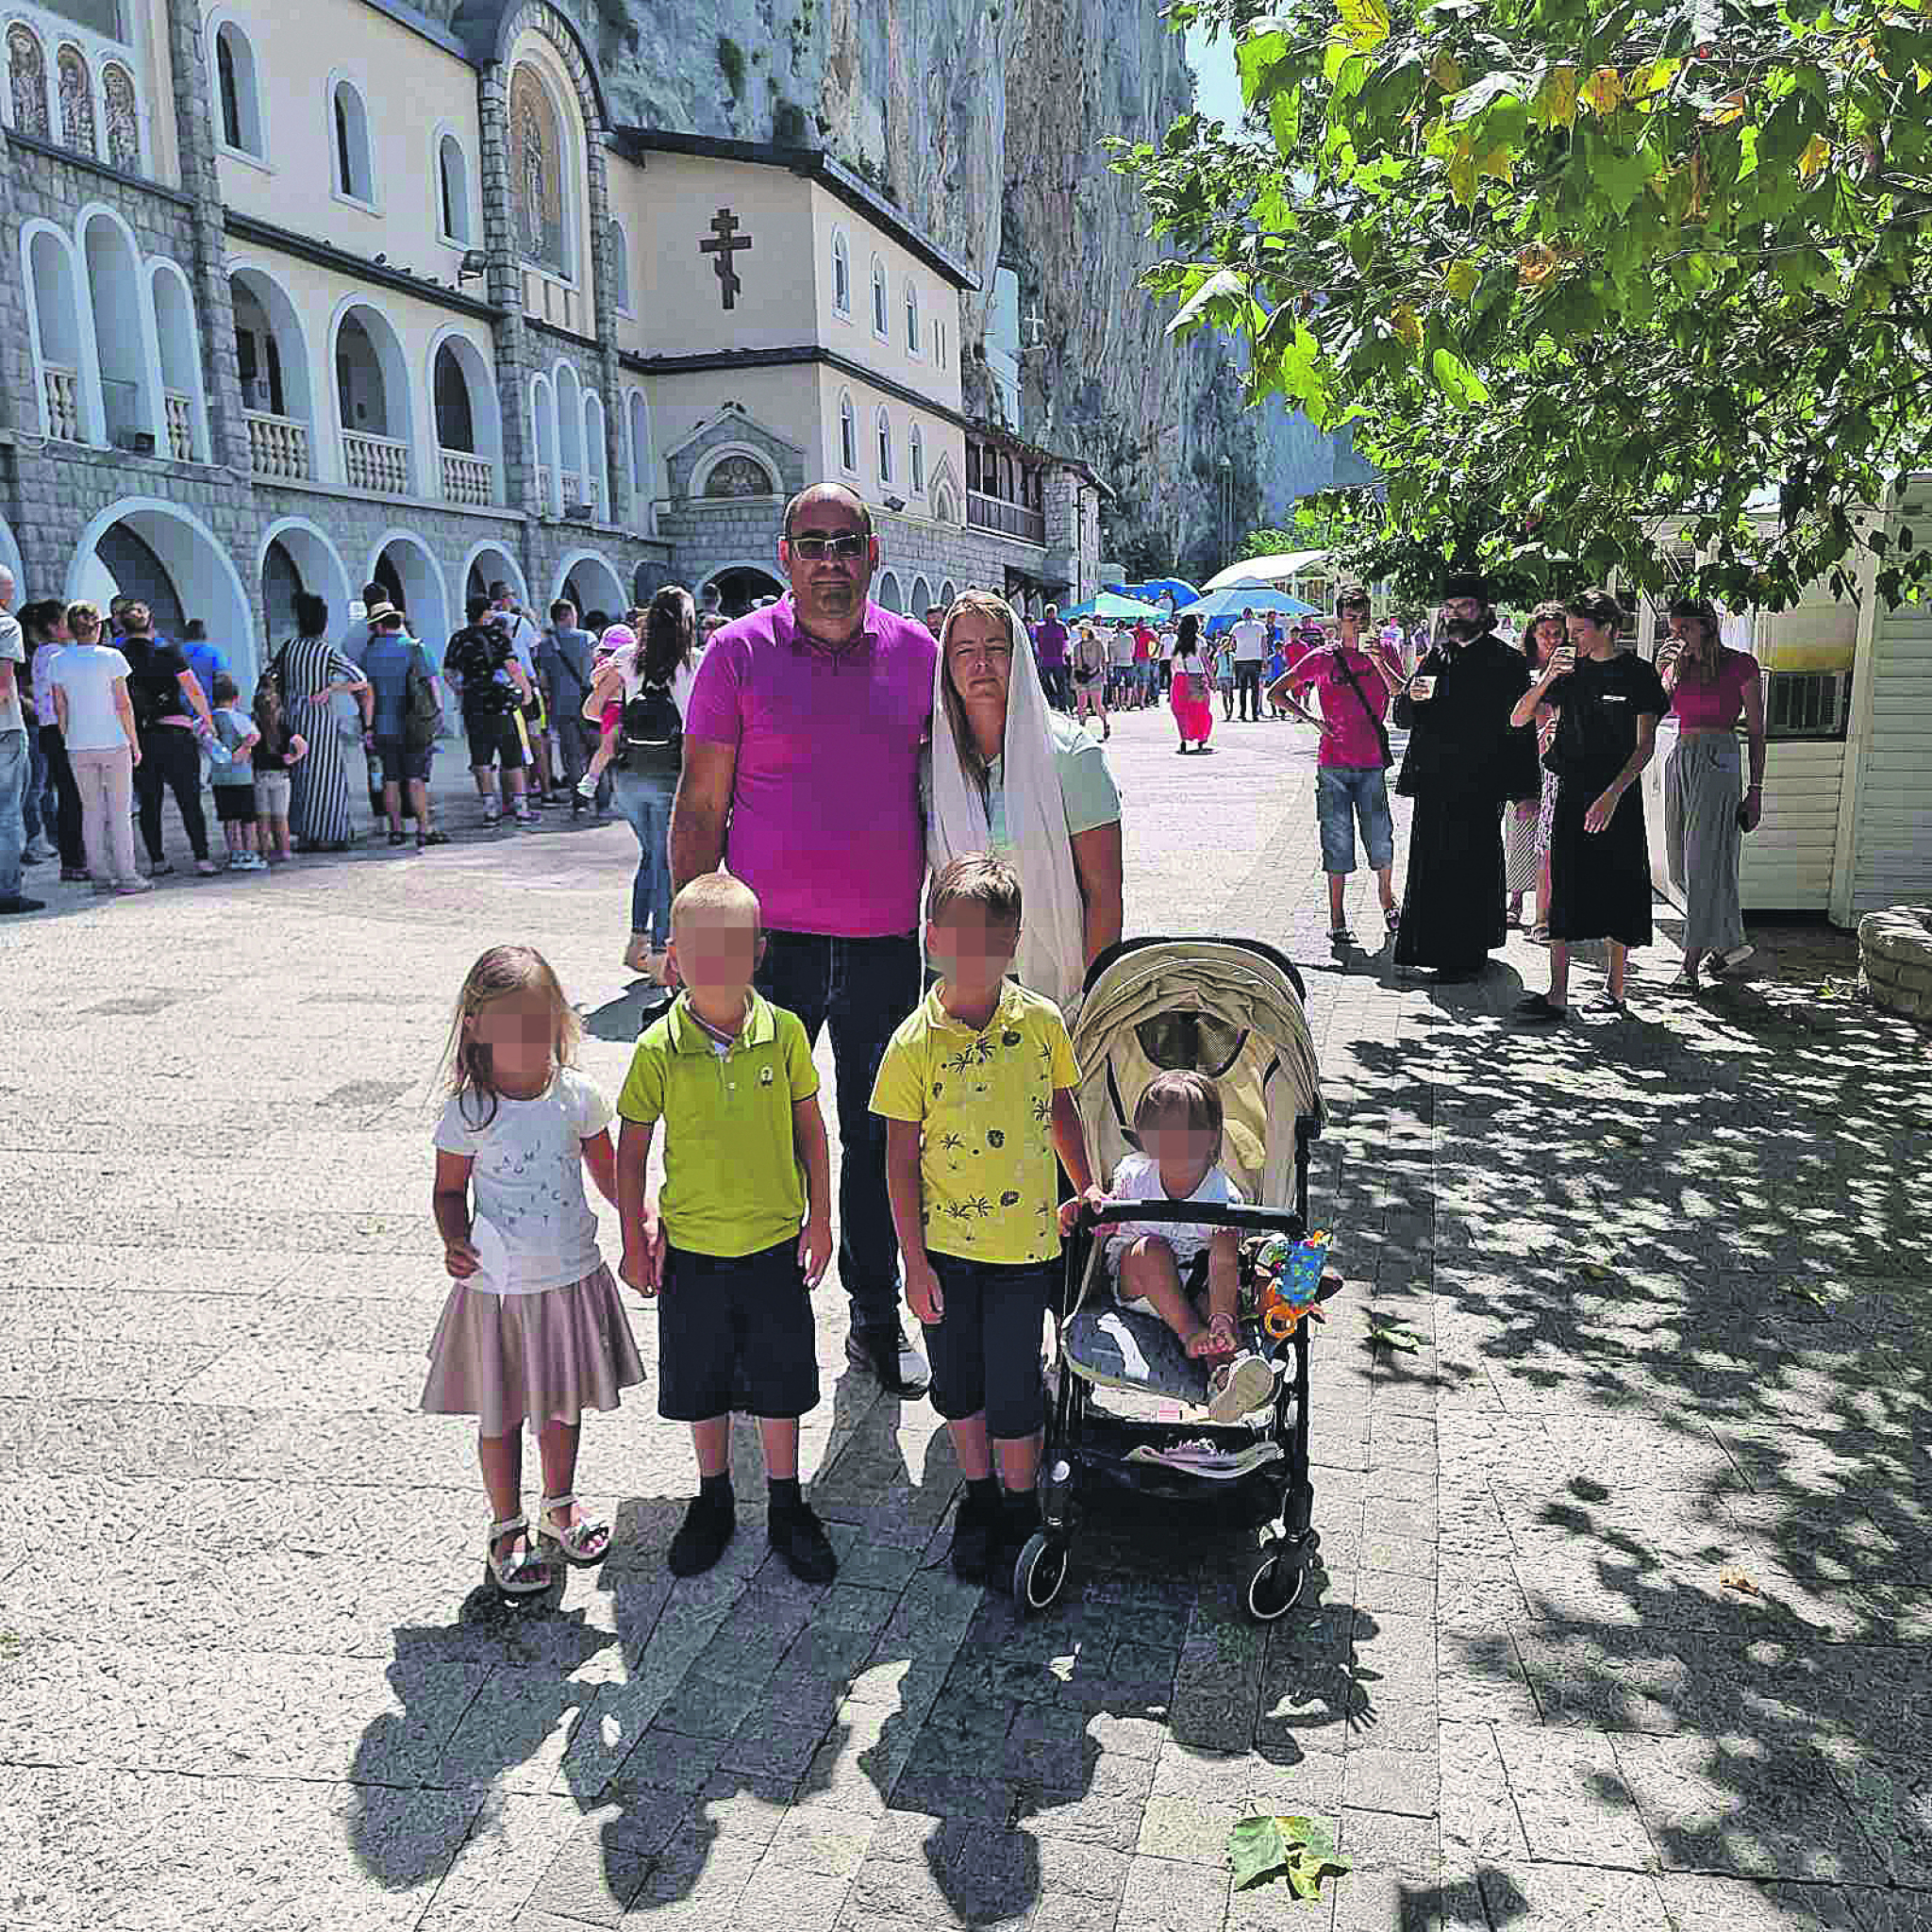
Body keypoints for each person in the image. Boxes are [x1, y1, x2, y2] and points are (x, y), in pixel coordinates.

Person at [673, 481, 938, 1399]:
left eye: (846, 542)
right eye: (812, 542)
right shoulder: (735, 654)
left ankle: (873, 1321)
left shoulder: (918, 657)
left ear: (872, 554)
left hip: (879, 943)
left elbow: (964, 783)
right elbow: (700, 806)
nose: (830, 559)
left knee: (876, 1140)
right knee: (757, 1134)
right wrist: (691, 936)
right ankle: (758, 1327)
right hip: (763, 945)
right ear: (785, 555)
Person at [872, 855, 1103, 1582]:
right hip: (944, 1253)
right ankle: (977, 1497)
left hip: (1024, 1249)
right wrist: (912, 1263)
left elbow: (1063, 1109)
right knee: (957, 1383)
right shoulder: (911, 1044)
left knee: (1012, 1384)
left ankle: (1018, 1503)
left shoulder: (1041, 1024)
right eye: (961, 939)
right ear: (933, 937)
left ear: (1014, 944)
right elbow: (898, 1162)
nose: (976, 956)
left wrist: (1088, 1188)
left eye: (993, 943)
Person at [615, 874, 839, 1583]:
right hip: (692, 1252)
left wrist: (822, 1219)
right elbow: (633, 1144)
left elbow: (812, 1128)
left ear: (759, 952)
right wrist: (632, 1235)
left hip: (774, 1244)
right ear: (673, 957)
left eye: (732, 948)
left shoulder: (786, 1033)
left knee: (782, 1381)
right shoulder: (658, 1046)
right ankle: (713, 1497)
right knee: (699, 1381)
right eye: (700, 950)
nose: (716, 964)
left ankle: (785, 1501)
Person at [425, 944, 643, 1597]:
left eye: (538, 1022)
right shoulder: (470, 1111)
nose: (527, 1037)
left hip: (569, 1277)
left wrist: (642, 1223)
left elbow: (609, 1174)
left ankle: (560, 1501)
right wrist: (454, 1236)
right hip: (496, 1290)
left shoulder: (576, 1096)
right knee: (500, 1413)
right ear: (476, 1025)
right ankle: (505, 1523)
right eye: (511, 1023)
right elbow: (446, 1192)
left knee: (562, 1403)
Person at [924, 590, 1124, 1012]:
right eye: (964, 650)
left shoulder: (1072, 756)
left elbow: (1104, 892)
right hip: (957, 990)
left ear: (1020, 658)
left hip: (1056, 991)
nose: (981, 663)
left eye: (996, 648)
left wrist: (1092, 1000)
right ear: (947, 665)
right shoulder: (932, 765)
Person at [1510, 588, 1669, 1022]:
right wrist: (1546, 678)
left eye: (1581, 630)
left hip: (1617, 795)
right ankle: (1557, 994)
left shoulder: (1637, 674)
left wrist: (1612, 796)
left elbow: (1645, 745)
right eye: (1570, 630)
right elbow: (1519, 718)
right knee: (1563, 887)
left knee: (1621, 887)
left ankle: (1615, 990)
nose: (1573, 638)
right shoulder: (1568, 672)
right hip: (1570, 789)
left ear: (1609, 628)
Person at [1391, 573, 1541, 982]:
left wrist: (1526, 790)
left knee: (1472, 865)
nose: (1456, 616)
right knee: (1430, 865)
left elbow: (1520, 729)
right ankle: (1428, 947)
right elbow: (1404, 717)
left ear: (1483, 611)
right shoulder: (1437, 657)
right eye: (1451, 608)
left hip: (1481, 783)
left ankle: (1467, 954)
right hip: (1435, 780)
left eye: (1465, 608)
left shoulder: (1506, 661)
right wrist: (1410, 698)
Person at [1106, 1071, 1274, 1423]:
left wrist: (1223, 1317)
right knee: (1153, 1249)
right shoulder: (1134, 1176)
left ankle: (1227, 1376)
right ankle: (1189, 1334)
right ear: (1144, 1138)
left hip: (1193, 1280)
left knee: (1214, 1301)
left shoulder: (1222, 1196)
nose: (1173, 1143)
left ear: (1212, 1139)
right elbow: (1107, 1219)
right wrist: (1099, 1214)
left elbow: (1223, 1264)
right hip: (1139, 1281)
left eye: (1184, 1134)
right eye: (1161, 1133)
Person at [1273, 587, 1405, 943]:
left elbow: (1399, 692)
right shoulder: (1323, 657)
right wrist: (1312, 720)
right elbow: (1276, 692)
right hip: (1333, 762)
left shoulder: (1386, 651)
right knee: (1336, 838)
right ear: (1339, 617)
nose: (1357, 621)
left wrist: (1378, 661)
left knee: (1380, 836)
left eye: (1362, 614)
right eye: (1350, 614)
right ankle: (1337, 914)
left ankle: (1387, 900)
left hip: (1372, 761)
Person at [588, 590, 698, 981]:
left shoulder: (626, 658)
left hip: (629, 774)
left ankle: (637, 941)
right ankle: (659, 956)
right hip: (671, 772)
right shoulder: (694, 664)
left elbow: (592, 708)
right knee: (666, 862)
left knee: (651, 855)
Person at [1658, 595, 1765, 993]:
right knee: (1679, 863)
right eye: (1673, 630)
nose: (1678, 636)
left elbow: (1755, 730)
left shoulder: (1741, 665)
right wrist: (1663, 671)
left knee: (1705, 859)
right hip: (1681, 754)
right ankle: (1729, 942)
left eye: (1684, 628)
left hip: (1719, 756)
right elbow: (1656, 710)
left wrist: (1755, 790)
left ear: (1706, 625)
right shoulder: (1679, 667)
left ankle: (1689, 964)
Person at [47, 601, 146, 895]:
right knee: (119, 811)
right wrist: (134, 742)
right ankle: (127, 875)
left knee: (90, 811)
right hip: (113, 741)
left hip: (79, 744)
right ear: (99, 627)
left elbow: (60, 707)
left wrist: (68, 738)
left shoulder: (58, 661)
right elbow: (123, 703)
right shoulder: (111, 657)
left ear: (70, 628)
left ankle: (100, 876)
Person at [119, 601, 221, 878]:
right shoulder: (168, 652)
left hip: (140, 737)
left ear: (122, 628)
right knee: (189, 798)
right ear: (151, 624)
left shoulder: (117, 656)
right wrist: (208, 722)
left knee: (150, 801)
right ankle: (202, 858)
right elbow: (193, 689)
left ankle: (158, 860)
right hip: (175, 732)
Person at [268, 594, 371, 854]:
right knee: (328, 777)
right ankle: (332, 833)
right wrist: (333, 688)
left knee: (300, 776)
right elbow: (360, 679)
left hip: (293, 718)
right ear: (323, 624)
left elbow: (271, 675)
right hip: (320, 719)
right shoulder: (326, 651)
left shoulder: (289, 647)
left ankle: (304, 834)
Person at [358, 602, 443, 849]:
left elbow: (366, 695)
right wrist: (435, 719)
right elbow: (433, 687)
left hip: (384, 726)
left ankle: (395, 830)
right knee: (416, 779)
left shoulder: (369, 654)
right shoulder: (417, 648)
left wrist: (368, 727)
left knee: (390, 779)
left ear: (381, 626)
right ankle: (423, 829)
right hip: (416, 726)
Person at [445, 596, 535, 826]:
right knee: (513, 757)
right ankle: (522, 809)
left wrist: (460, 690)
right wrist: (526, 692)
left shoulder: (458, 638)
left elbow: (448, 671)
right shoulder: (497, 637)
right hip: (500, 703)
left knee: (481, 758)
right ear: (485, 613)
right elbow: (513, 668)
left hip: (473, 704)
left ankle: (490, 810)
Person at [22, 602, 86, 883]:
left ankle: (73, 858)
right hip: (61, 730)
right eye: (65, 622)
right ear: (52, 627)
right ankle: (74, 859)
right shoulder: (55, 654)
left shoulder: (45, 654)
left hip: (52, 729)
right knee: (72, 796)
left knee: (67, 794)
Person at [1515, 601, 1568, 941]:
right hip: (1524, 756)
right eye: (1543, 632)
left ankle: (1547, 911)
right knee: (1520, 831)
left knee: (1548, 839)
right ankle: (1515, 898)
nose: (1549, 638)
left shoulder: (1575, 669)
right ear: (1532, 635)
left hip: (1559, 760)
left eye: (1556, 633)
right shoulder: (1521, 669)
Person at [539, 599, 605, 817]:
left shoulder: (545, 645)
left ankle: (580, 802)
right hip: (590, 705)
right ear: (569, 615)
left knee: (573, 757)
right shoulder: (588, 638)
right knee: (598, 752)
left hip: (562, 707)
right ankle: (603, 800)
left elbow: (543, 680)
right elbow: (601, 666)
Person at [490, 583, 555, 802]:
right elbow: (534, 649)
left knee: (507, 745)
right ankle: (545, 791)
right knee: (536, 742)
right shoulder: (521, 623)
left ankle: (510, 799)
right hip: (525, 685)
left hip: (497, 690)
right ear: (506, 598)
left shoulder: (486, 625)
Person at [0, 565, 37, 913]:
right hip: (5, 729)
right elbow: (2, 684)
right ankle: (7, 891)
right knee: (8, 813)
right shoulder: (7, 625)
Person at [208, 675, 265, 871]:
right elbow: (254, 736)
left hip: (219, 778)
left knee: (229, 819)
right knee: (248, 819)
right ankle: (250, 853)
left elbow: (198, 733)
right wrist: (242, 750)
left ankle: (235, 854)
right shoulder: (238, 717)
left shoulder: (208, 719)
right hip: (241, 776)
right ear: (236, 697)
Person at [250, 676, 308, 864]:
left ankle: (264, 853)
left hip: (260, 777)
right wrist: (292, 758)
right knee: (281, 818)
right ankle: (284, 851)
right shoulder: (284, 728)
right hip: (282, 777)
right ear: (279, 709)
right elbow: (302, 744)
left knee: (263, 818)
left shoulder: (254, 727)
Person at [1169, 613, 1215, 754]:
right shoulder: (1200, 641)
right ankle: (1201, 738)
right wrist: (1212, 678)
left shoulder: (1176, 642)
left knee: (1181, 711)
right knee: (1200, 710)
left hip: (1179, 679)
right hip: (1197, 679)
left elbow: (1173, 663)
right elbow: (1205, 662)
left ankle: (1183, 740)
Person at [1071, 621, 1109, 738]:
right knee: (1081, 705)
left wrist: (1104, 676)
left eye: (1084, 630)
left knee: (1097, 705)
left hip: (1096, 677)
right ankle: (1082, 729)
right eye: (1080, 630)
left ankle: (1105, 724)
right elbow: (1075, 664)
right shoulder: (1077, 646)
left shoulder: (1098, 644)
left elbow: (1103, 661)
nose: (1082, 632)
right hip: (1081, 678)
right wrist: (1073, 680)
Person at [1229, 607, 1269, 722]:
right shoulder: (1260, 626)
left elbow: (1232, 644)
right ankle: (1255, 714)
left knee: (1243, 688)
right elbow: (1264, 645)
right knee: (1255, 688)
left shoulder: (1236, 626)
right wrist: (1265, 660)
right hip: (1256, 659)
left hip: (1240, 659)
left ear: (1243, 615)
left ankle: (1242, 713)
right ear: (1252, 614)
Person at [1033, 603, 1071, 710]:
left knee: (1044, 684)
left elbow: (1036, 645)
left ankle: (1048, 704)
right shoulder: (1061, 626)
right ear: (1055, 613)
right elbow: (1066, 644)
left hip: (1045, 660)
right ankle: (1062, 705)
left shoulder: (1039, 627)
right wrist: (1065, 656)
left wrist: (1039, 656)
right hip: (1058, 660)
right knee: (1061, 684)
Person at [1108, 619, 1138, 711]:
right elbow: (1133, 650)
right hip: (1128, 662)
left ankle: (1116, 703)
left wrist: (1111, 664)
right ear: (1125, 626)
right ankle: (1128, 703)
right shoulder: (1130, 637)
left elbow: (1111, 653)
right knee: (1129, 684)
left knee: (1115, 684)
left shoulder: (1113, 638)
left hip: (1117, 663)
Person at [1131, 618, 1158, 708]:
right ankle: (1137, 700)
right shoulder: (1133, 632)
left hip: (1145, 658)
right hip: (1135, 658)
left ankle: (1141, 701)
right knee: (1135, 681)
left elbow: (1156, 643)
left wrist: (1152, 654)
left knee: (1144, 680)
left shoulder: (1148, 633)